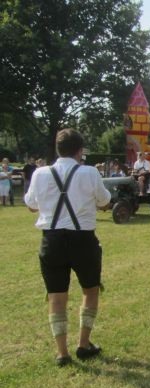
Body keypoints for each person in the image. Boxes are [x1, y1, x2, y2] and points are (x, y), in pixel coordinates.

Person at [24, 128, 112, 366]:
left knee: (56, 296)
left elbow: (31, 205)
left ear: (58, 149)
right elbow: (105, 202)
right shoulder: (90, 172)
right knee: (90, 290)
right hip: (83, 239)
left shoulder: (40, 173)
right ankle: (83, 344)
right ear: (80, 151)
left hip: (51, 240)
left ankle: (62, 353)